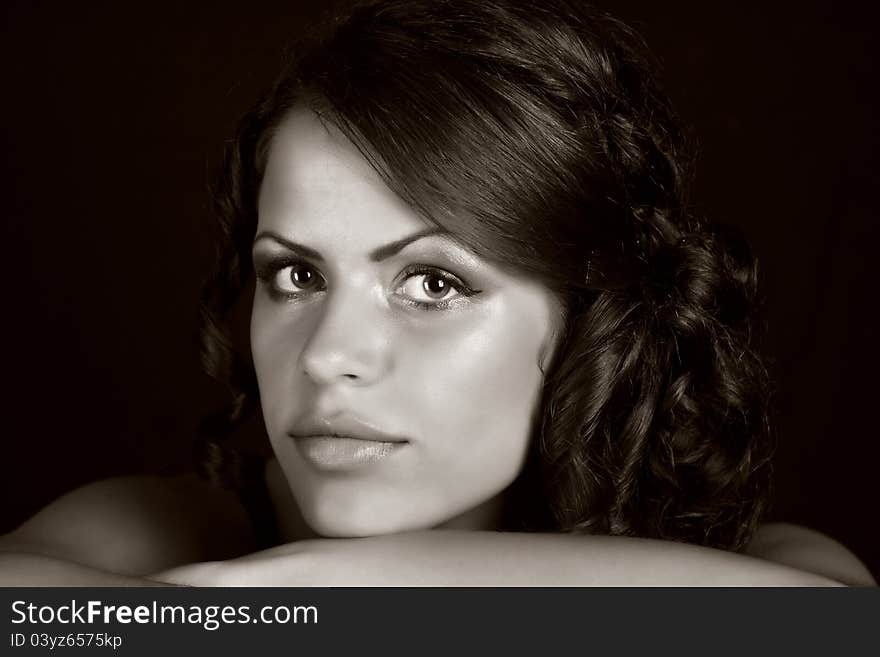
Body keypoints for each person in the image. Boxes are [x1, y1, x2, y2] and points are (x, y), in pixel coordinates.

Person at [0, 0, 874, 586]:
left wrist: (321, 586)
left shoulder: (773, 568)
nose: (328, 354)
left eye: (433, 281)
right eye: (296, 275)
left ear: (593, 319)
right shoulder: (132, 537)